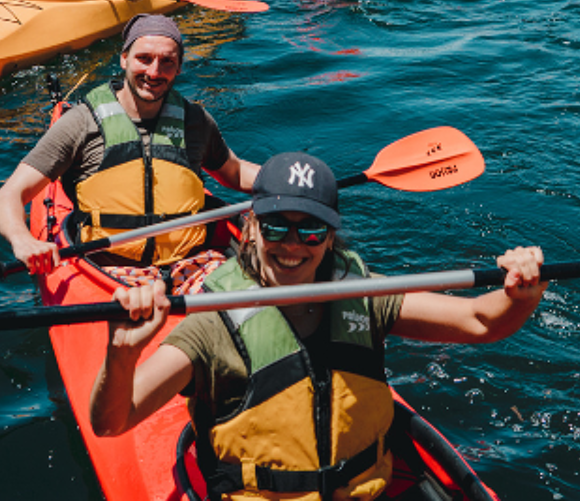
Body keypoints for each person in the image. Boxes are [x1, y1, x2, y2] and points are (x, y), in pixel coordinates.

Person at [91, 152, 546, 498]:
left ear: (330, 236)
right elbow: (112, 422)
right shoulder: (212, 324)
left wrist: (519, 294)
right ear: (249, 228)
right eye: (275, 228)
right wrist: (122, 353)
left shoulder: (363, 298)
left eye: (310, 231)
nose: (293, 245)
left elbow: (479, 321)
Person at [0, 14, 260, 292]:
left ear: (178, 68)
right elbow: (8, 196)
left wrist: (290, 180)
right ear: (124, 59)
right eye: (144, 58)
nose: (154, 72)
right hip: (111, 269)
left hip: (194, 263)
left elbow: (234, 172)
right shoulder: (81, 123)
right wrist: (23, 240)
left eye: (167, 61)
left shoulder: (196, 121)